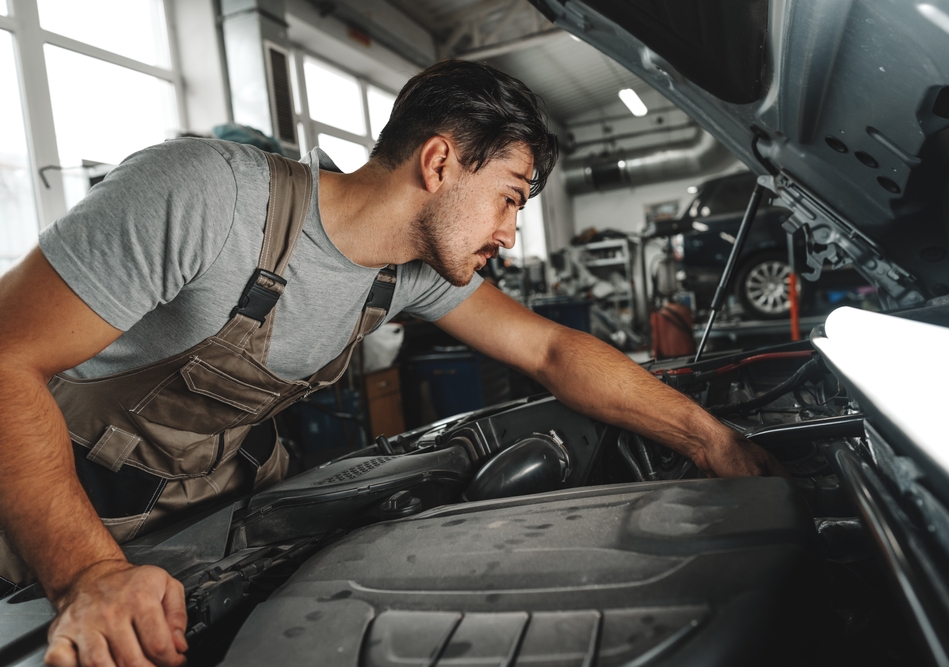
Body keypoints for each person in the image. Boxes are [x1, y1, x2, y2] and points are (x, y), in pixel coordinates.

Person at [0, 60, 785, 667]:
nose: (511, 232)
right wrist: (87, 575)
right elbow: (4, 361)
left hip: (192, 520)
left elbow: (550, 349)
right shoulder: (206, 198)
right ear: (440, 161)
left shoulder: (399, 270)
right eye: (510, 196)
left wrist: (709, 439)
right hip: (44, 521)